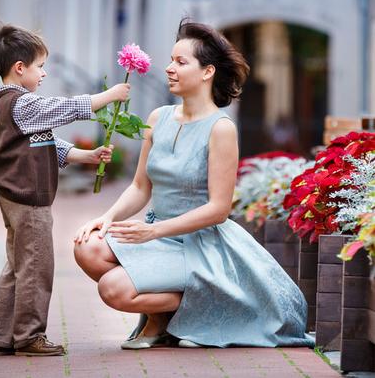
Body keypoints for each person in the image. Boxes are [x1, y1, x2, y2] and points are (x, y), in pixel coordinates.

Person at [73, 18, 314, 349]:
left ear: (207, 72)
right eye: (171, 60)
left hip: (201, 246)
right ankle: (162, 322)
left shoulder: (221, 128)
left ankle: (206, 302)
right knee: (86, 248)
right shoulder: (158, 118)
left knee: (112, 289)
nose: (169, 68)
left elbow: (218, 210)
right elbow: (141, 187)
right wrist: (108, 217)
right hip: (157, 236)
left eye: (180, 62)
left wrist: (154, 231)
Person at [0, 23, 130, 357]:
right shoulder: (22, 104)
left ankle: (2, 335)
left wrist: (87, 156)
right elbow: (64, 109)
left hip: (14, 197)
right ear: (20, 69)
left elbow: (47, 141)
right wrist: (109, 96)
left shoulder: (17, 107)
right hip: (29, 201)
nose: (44, 73)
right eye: (39, 66)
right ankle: (29, 336)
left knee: (17, 266)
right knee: (37, 267)